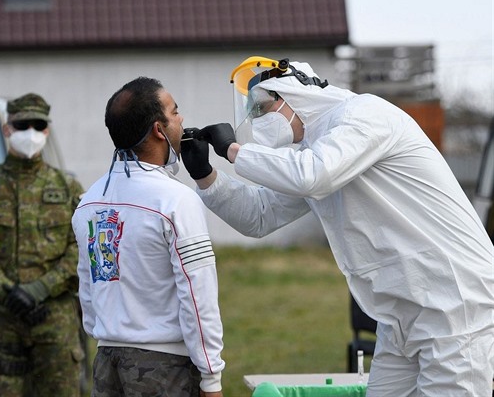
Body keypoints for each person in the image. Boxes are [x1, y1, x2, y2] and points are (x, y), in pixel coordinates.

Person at [181, 57, 494, 397]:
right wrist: (207, 177)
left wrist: (233, 150)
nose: (257, 118)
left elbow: (314, 173)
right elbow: (261, 215)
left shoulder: (363, 115)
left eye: (262, 107)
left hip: (453, 306)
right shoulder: (315, 149)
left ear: (296, 91)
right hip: (402, 318)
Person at [71, 77, 225, 397]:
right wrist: (211, 376)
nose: (181, 119)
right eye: (175, 111)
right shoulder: (176, 200)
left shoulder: (89, 202)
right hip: (164, 367)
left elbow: (87, 285)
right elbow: (198, 294)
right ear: (159, 129)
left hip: (106, 361)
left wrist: (108, 333)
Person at [0, 93, 85, 397]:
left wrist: (40, 289)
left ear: (47, 131)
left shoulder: (68, 189)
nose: (31, 132)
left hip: (56, 323)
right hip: (2, 322)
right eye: (23, 124)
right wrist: (9, 292)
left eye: (38, 125)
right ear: (7, 128)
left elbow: (84, 248)